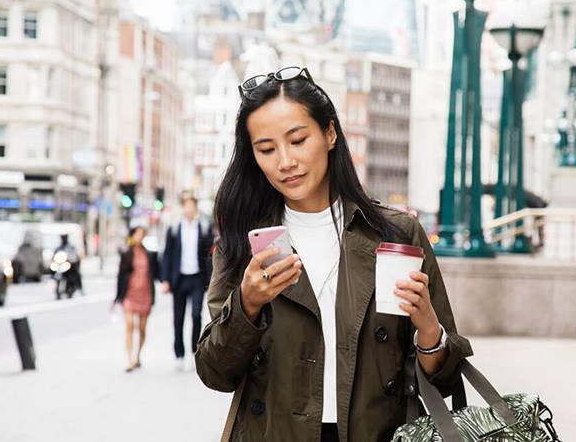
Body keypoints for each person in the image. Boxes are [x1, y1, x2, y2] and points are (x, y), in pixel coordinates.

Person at [194, 66, 473, 441]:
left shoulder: (395, 234)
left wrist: (427, 327)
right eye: (267, 149)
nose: (285, 162)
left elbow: (446, 377)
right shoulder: (243, 244)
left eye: (297, 140)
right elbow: (215, 373)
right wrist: (247, 305)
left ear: (329, 134)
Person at [160, 193, 214, 370]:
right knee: (178, 318)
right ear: (183, 208)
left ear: (195, 208)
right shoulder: (174, 229)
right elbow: (167, 255)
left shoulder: (204, 228)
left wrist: (210, 278)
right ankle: (179, 354)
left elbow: (209, 255)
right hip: (179, 279)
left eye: (192, 205)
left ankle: (193, 351)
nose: (189, 209)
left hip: (197, 278)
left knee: (196, 315)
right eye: (186, 205)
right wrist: (166, 280)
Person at [114, 226, 159, 372]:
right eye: (137, 234)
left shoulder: (149, 254)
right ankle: (129, 359)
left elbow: (156, 272)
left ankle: (138, 355)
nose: (139, 237)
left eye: (141, 234)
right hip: (130, 293)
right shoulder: (126, 253)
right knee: (129, 325)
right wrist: (118, 296)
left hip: (145, 293)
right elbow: (120, 275)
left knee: (142, 328)